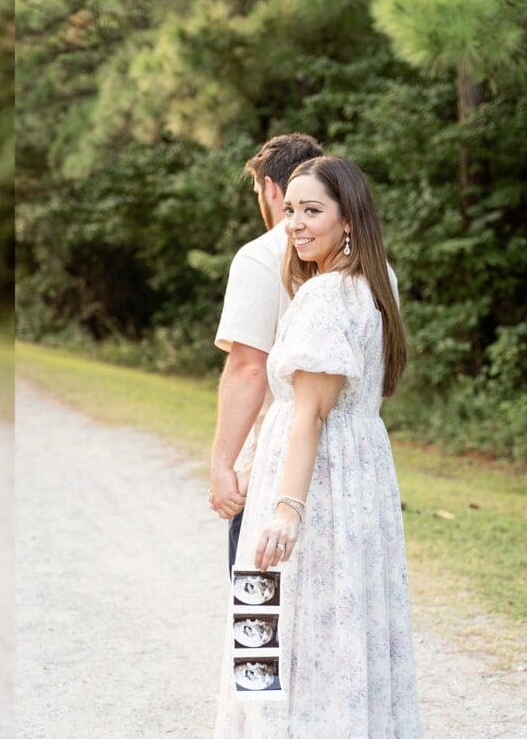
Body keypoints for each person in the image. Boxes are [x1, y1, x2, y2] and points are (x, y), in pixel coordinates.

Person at [214, 156, 422, 737]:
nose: (296, 224)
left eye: (312, 210)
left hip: (310, 481)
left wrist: (287, 509)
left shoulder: (326, 296)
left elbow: (310, 413)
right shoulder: (373, 284)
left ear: (348, 219)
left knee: (272, 619)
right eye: (290, 210)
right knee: (337, 626)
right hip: (354, 478)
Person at [209, 133, 324, 574]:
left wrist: (223, 465)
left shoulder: (261, 256)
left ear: (271, 188)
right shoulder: (374, 266)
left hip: (271, 468)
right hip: (351, 466)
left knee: (262, 601)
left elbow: (248, 370)